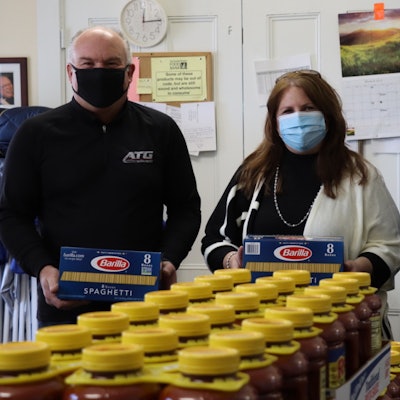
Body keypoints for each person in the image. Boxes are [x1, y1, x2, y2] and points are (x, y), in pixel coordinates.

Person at [0, 26, 201, 327]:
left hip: (145, 301)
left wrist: (170, 259)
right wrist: (42, 268)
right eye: (88, 64)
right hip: (65, 302)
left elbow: (185, 208)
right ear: (71, 72)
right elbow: (11, 214)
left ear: (129, 72)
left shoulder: (161, 130)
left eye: (110, 64)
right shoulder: (35, 134)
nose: (99, 71)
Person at [201, 69, 400, 339]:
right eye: (288, 111)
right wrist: (230, 261)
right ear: (274, 120)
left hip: (343, 324)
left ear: (328, 116)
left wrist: (357, 269)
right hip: (262, 325)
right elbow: (215, 237)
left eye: (308, 108)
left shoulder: (361, 176)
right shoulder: (253, 173)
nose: (298, 118)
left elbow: (391, 245)